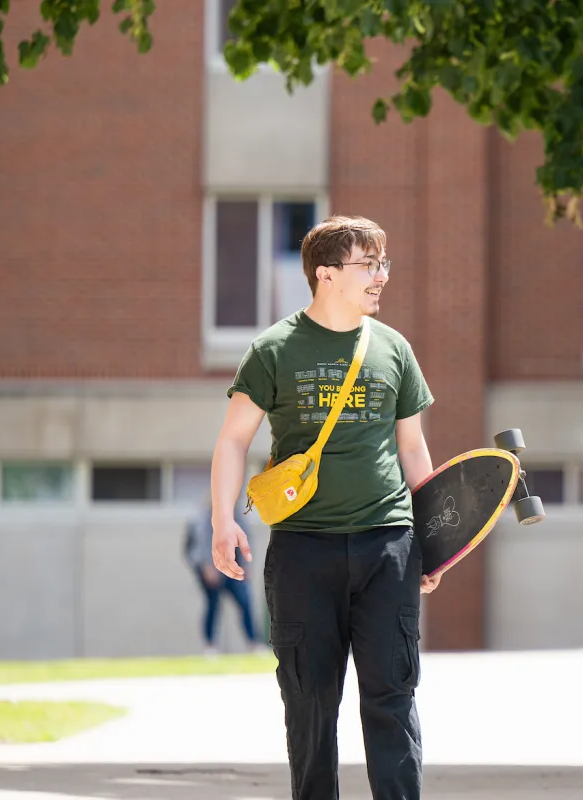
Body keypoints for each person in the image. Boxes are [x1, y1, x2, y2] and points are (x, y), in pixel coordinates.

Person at [208, 215, 439, 800]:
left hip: (388, 542)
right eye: (370, 265)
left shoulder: (393, 348)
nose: (382, 276)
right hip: (302, 550)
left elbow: (412, 447)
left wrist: (437, 539)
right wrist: (222, 519)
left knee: (392, 697)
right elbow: (233, 439)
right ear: (327, 274)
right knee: (309, 704)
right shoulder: (274, 349)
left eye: (385, 264)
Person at [183, 495, 260, 656]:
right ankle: (211, 645)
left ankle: (254, 643)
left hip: (233, 568)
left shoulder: (237, 514)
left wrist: (246, 565)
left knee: (245, 603)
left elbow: (245, 538)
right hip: (210, 569)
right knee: (213, 605)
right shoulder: (202, 518)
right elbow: (198, 544)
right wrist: (206, 567)